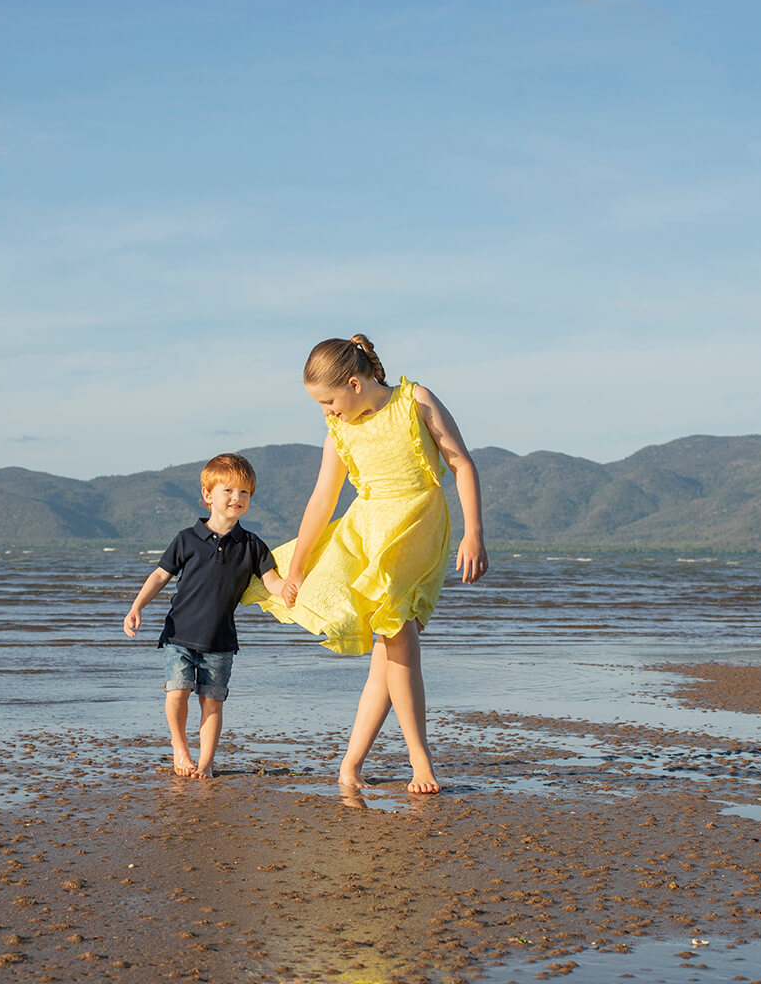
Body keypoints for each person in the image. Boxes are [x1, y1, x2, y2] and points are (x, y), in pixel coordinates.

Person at [245, 335, 488, 794]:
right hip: (366, 534)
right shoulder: (339, 433)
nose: (326, 412)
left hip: (415, 529)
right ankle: (354, 764)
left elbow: (461, 464)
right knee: (389, 654)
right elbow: (321, 502)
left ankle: (417, 760)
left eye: (328, 401)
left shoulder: (415, 401)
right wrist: (295, 569)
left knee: (397, 642)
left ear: (355, 384)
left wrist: (474, 532)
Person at [125, 453, 284, 779]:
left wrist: (291, 589)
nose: (237, 498)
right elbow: (159, 576)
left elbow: (273, 581)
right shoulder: (187, 539)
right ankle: (180, 746)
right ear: (208, 495)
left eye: (244, 493)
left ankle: (207, 762)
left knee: (213, 703)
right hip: (179, 634)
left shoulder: (252, 545)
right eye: (228, 491)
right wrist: (136, 607)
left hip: (220, 640)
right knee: (177, 692)